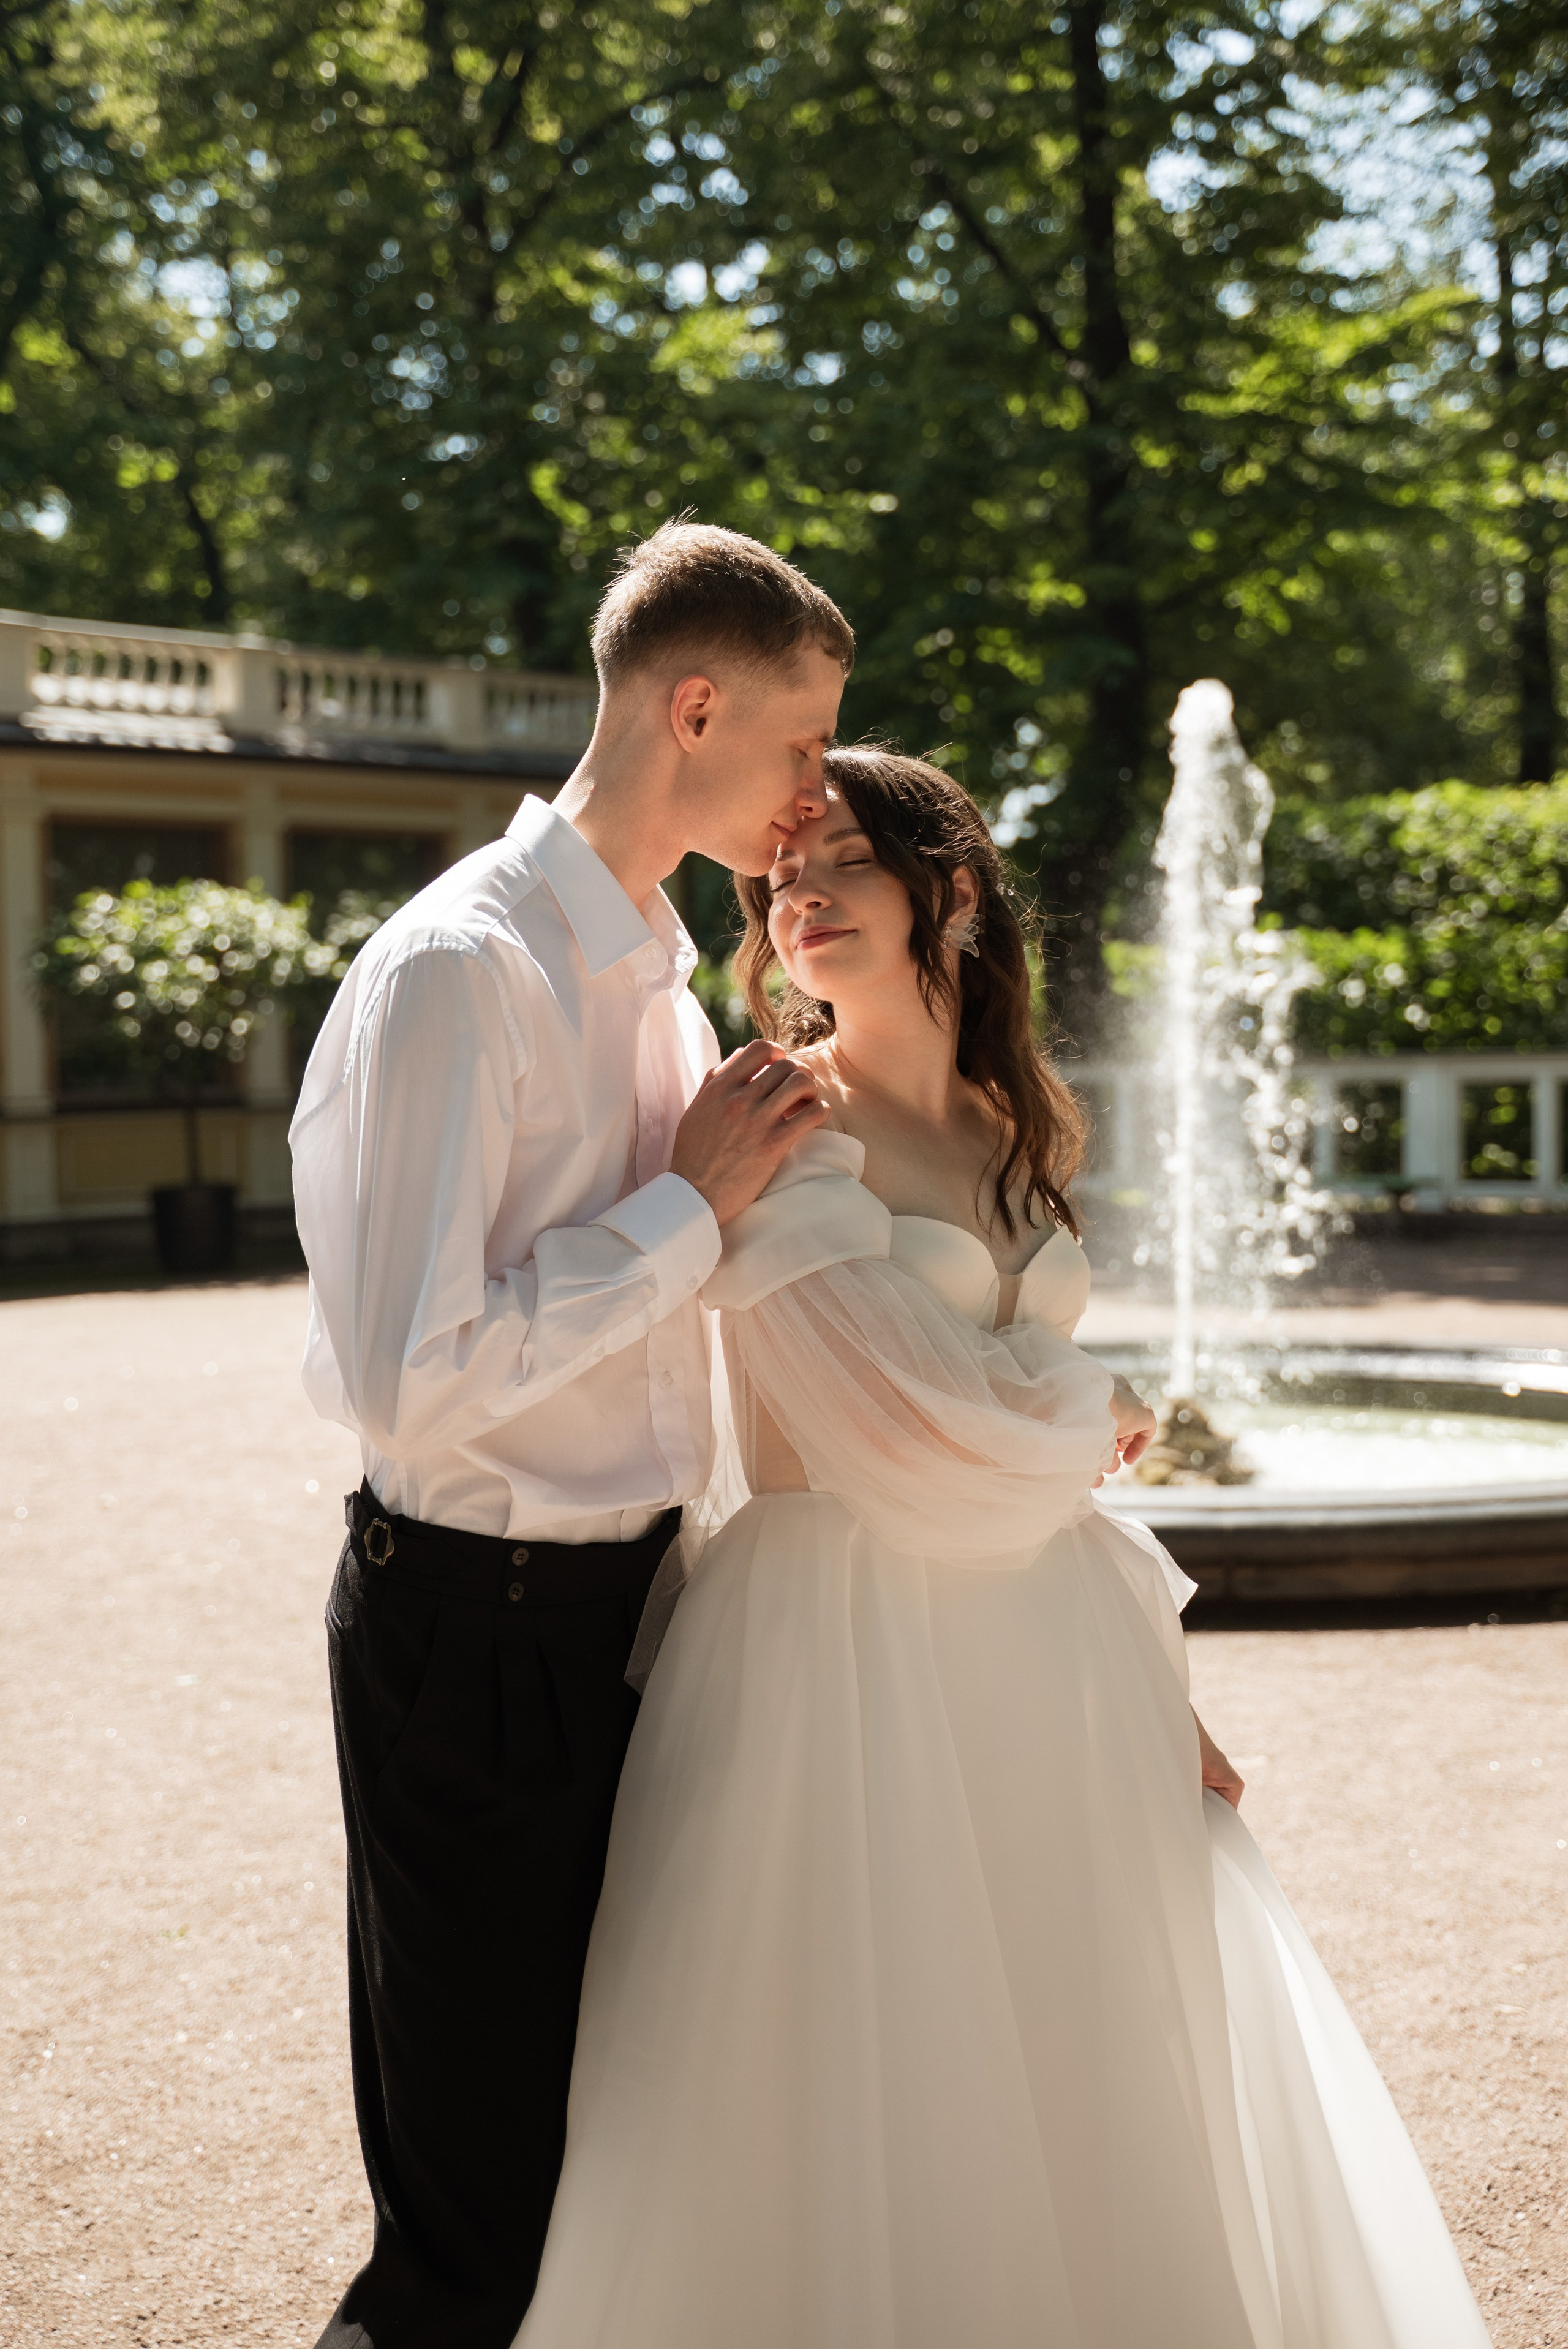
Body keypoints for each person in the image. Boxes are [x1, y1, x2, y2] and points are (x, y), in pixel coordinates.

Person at [516, 747, 1491, 2349]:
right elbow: (901, 1433)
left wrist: (1166, 1700)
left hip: (1049, 1645)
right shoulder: (774, 1119)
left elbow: (1028, 1467)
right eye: (778, 877)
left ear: (950, 891)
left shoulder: (1015, 1119)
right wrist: (1098, 1399)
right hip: (837, 1649)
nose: (799, 896)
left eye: (842, 860)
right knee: (869, 2073)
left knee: (1077, 2046)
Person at [289, 521, 853, 2348]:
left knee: (624, 2167)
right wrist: (686, 1207)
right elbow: (417, 1377)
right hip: (477, 1630)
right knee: (475, 2218)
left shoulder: (665, 983)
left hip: (644, 1621)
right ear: (694, 711)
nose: (815, 790)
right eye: (800, 742)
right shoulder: (460, 969)